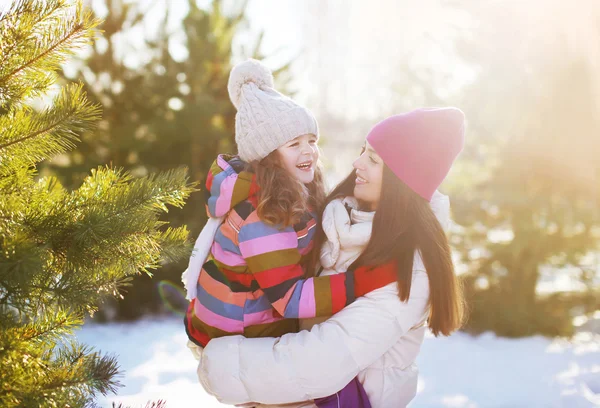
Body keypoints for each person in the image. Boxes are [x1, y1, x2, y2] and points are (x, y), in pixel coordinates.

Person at [193, 107, 467, 408]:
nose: (356, 162)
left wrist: (220, 365)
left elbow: (318, 363)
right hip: (293, 394)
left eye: (373, 159)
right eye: (363, 150)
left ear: (403, 184)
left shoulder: (408, 269)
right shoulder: (334, 219)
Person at [182, 59, 399, 407]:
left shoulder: (290, 192)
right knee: (315, 382)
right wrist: (366, 280)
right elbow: (290, 299)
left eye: (311, 140)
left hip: (256, 319)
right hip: (241, 334)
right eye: (293, 143)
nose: (308, 150)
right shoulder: (262, 216)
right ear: (268, 156)